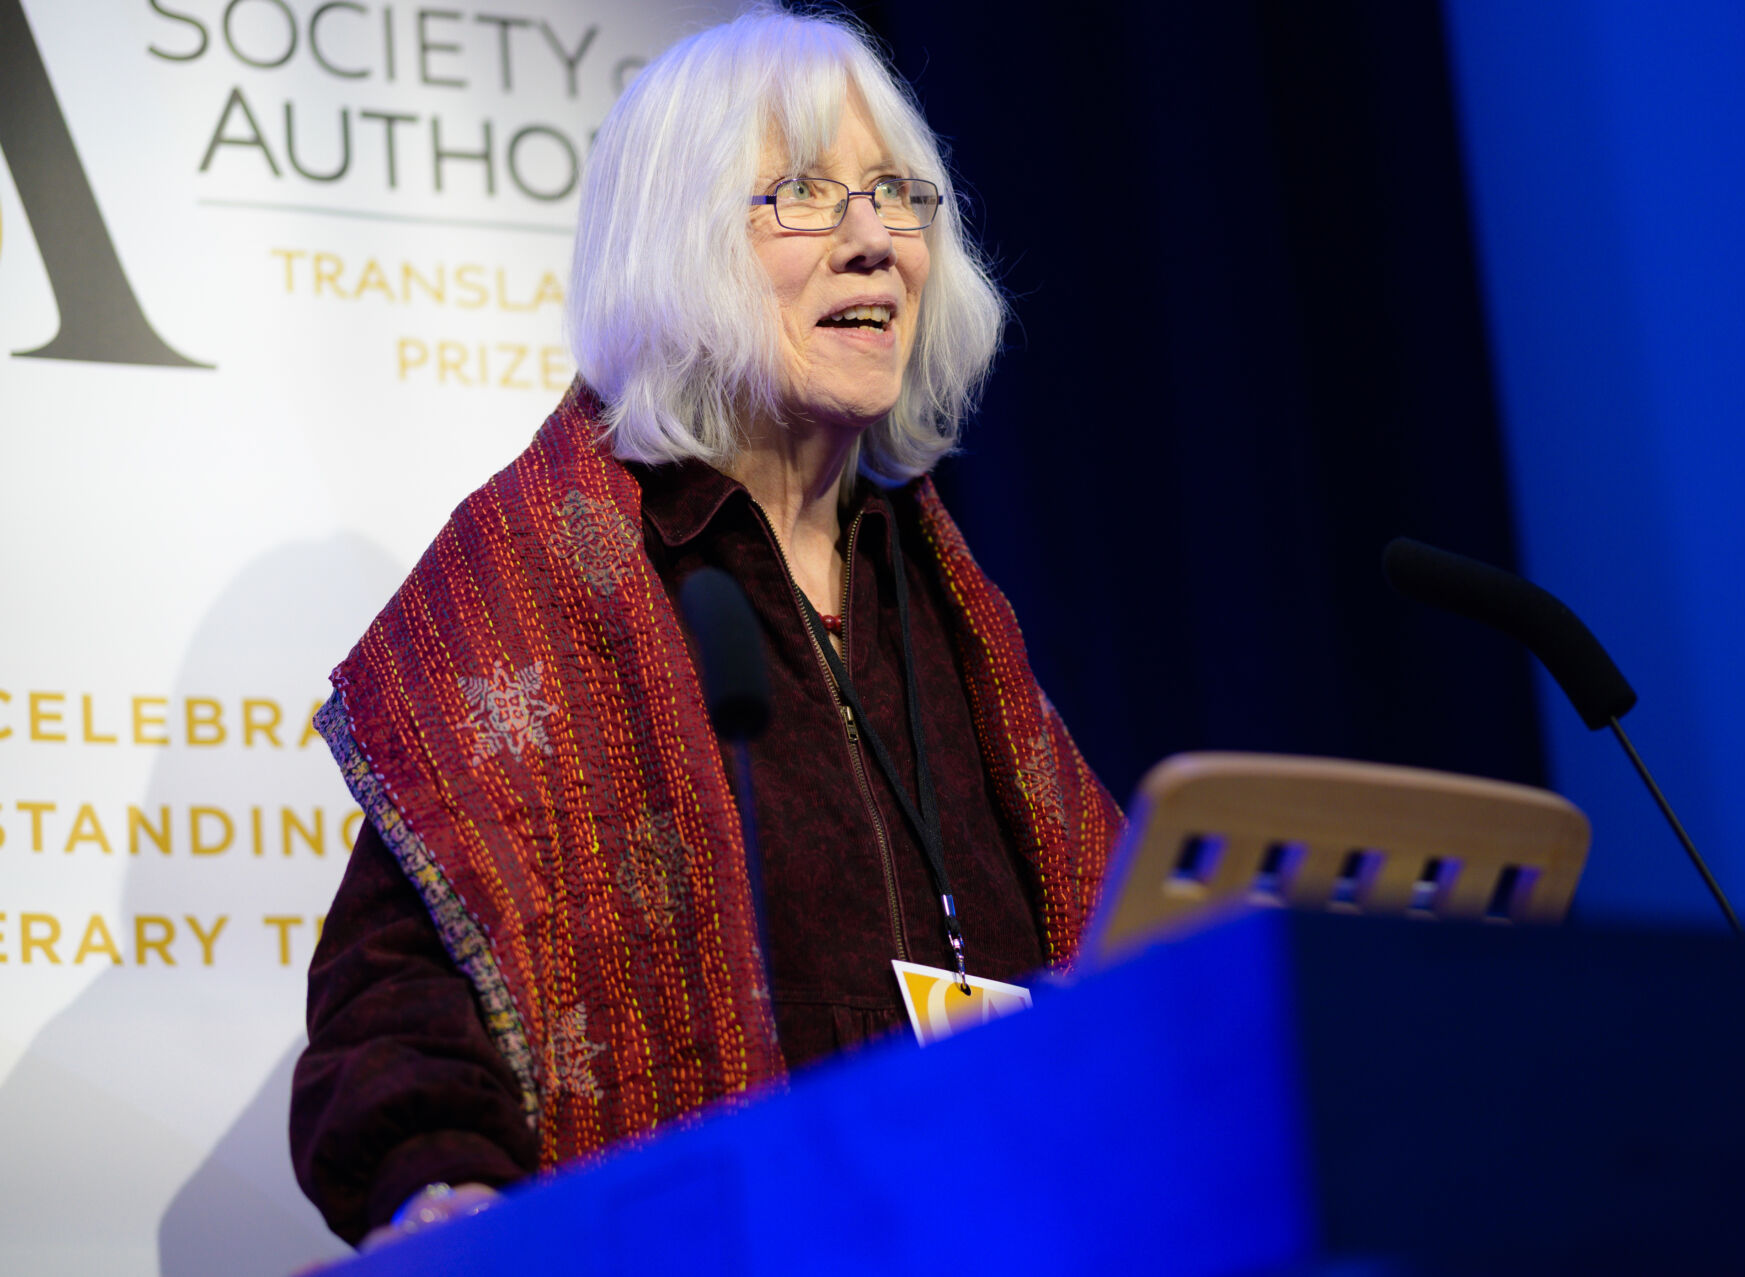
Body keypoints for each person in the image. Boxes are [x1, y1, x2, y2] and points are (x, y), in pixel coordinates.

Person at [291, 5, 1122, 1249]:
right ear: (677, 246)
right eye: (802, 193)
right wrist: (440, 1187)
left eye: (896, 193)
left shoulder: (946, 604)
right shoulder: (551, 581)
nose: (873, 241)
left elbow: (1109, 951)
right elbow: (394, 998)